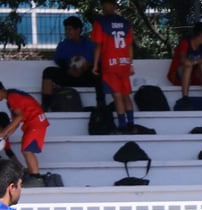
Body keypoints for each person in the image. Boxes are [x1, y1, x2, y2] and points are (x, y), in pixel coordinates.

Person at [0, 79, 49, 178]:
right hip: (31, 123)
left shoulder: (12, 96)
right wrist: (5, 136)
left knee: (27, 150)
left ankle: (36, 177)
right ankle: (32, 173)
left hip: (36, 122)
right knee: (25, 150)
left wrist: (3, 132)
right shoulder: (10, 101)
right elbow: (16, 122)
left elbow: (19, 117)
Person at [91, 0, 135, 132]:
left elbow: (98, 45)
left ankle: (122, 125)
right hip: (124, 63)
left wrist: (95, 65)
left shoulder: (100, 23)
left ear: (103, 6)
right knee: (126, 94)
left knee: (117, 95)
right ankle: (131, 124)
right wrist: (130, 63)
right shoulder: (125, 23)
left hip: (110, 63)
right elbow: (129, 45)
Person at [40, 15, 97, 112]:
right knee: (48, 72)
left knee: (98, 71)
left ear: (78, 30)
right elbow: (59, 60)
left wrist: (84, 67)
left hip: (85, 77)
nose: (67, 32)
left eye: (69, 29)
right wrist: (69, 70)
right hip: (69, 76)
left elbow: (96, 60)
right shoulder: (63, 45)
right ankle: (46, 106)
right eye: (66, 29)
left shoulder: (89, 44)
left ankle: (101, 104)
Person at [167, 21, 202, 102]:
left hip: (194, 75)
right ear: (201, 34)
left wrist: (195, 62)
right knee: (188, 65)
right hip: (179, 74)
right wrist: (195, 62)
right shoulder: (185, 42)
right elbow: (183, 60)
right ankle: (185, 97)